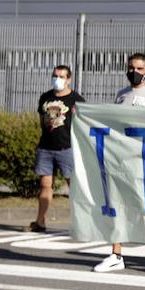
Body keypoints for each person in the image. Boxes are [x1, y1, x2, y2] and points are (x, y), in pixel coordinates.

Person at [95, 53, 145, 275]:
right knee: (117, 206)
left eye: (138, 68)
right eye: (130, 68)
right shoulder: (121, 95)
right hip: (120, 159)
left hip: (144, 160)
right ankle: (116, 254)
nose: (134, 72)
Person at [28, 65, 85, 233]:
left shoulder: (76, 99)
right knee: (45, 185)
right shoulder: (45, 97)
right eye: (55, 76)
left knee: (73, 187)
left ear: (68, 79)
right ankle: (40, 221)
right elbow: (41, 121)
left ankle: (80, 222)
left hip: (67, 148)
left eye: (61, 76)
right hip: (46, 148)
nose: (57, 79)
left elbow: (82, 123)